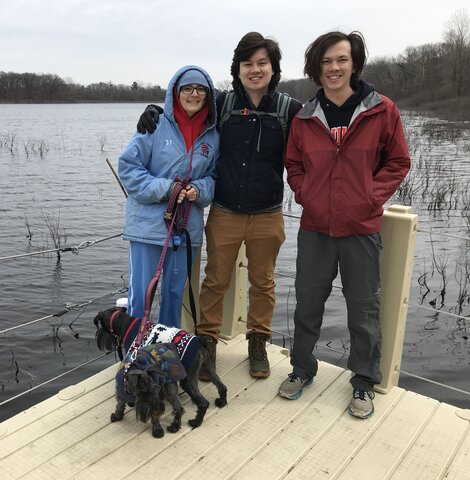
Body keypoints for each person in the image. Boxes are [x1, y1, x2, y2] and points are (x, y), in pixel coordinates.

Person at [137, 33, 302, 378]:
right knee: (214, 282)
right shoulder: (222, 103)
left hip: (268, 213)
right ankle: (207, 346)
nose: (255, 70)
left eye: (262, 63)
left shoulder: (291, 110)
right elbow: (183, 102)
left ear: (273, 69)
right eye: (247, 64)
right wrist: (153, 109)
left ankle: (258, 344)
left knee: (264, 283)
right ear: (237, 70)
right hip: (225, 211)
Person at [278, 31, 410, 418]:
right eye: (326, 62)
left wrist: (370, 197)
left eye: (341, 60)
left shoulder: (382, 110)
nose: (334, 68)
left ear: (354, 64)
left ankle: (363, 382)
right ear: (316, 68)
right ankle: (302, 369)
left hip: (361, 229)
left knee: (363, 310)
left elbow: (398, 162)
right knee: (307, 304)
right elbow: (294, 165)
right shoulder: (304, 117)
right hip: (315, 228)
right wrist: (307, 195)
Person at [119, 65, 219, 329]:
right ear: (175, 92)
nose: (194, 94)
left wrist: (200, 189)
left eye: (200, 89)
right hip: (147, 228)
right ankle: (134, 356)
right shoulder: (154, 125)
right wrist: (168, 188)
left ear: (208, 94)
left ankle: (166, 357)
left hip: (186, 231)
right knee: (141, 297)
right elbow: (128, 169)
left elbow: (215, 177)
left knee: (174, 297)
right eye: (187, 88)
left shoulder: (214, 134)